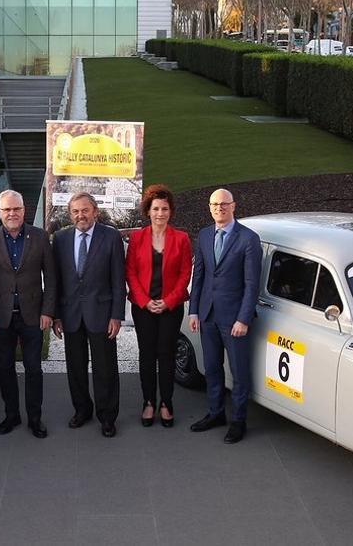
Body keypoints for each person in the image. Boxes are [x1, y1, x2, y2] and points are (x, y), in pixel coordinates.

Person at [0, 190, 57, 438]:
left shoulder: (41, 237)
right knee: (6, 369)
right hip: (1, 318)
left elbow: (51, 279)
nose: (12, 213)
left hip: (33, 315)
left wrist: (48, 311)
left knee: (34, 368)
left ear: (24, 210)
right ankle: (11, 415)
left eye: (16, 209)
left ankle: (35, 418)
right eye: (7, 210)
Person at [188, 188, 262, 444]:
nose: (219, 208)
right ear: (209, 207)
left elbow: (252, 284)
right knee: (211, 368)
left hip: (234, 320)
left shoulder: (248, 239)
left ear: (234, 206)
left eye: (224, 204)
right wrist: (194, 310)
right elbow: (199, 276)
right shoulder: (205, 235)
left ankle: (238, 421)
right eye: (214, 204)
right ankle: (216, 412)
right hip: (207, 315)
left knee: (239, 372)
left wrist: (243, 318)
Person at [52, 192, 126, 438]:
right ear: (70, 213)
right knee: (75, 367)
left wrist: (117, 315)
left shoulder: (111, 236)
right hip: (71, 314)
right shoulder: (60, 239)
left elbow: (118, 279)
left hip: (102, 314)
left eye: (85, 210)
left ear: (95, 211)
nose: (80, 215)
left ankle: (107, 416)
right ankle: (82, 410)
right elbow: (57, 281)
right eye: (75, 211)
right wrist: (56, 315)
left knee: (106, 368)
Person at [125, 184, 192, 428]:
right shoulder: (137, 238)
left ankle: (166, 403)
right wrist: (144, 301)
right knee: (147, 355)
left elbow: (186, 273)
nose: (160, 213)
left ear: (170, 211)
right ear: (148, 211)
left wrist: (169, 301)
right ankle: (148, 402)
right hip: (143, 308)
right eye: (156, 208)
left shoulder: (182, 238)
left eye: (164, 208)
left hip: (171, 308)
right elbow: (130, 272)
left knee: (166, 355)